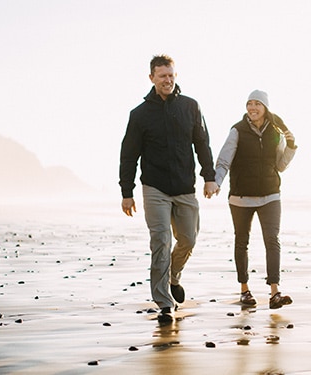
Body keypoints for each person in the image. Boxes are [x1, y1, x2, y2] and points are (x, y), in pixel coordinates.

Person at [119, 55, 219, 324]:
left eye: (171, 75)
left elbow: (202, 144)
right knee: (161, 241)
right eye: (162, 75)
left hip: (185, 187)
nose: (168, 80)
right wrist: (126, 192)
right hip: (154, 188)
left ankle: (174, 276)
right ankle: (164, 302)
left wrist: (209, 177)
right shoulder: (139, 115)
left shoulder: (190, 107)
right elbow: (129, 156)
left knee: (188, 239)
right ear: (151, 77)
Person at [214, 89, 297, 309]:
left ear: (265, 107)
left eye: (257, 104)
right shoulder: (237, 131)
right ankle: (244, 290)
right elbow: (224, 160)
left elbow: (280, 165)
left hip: (270, 195)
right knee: (242, 242)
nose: (252, 108)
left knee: (273, 240)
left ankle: (275, 292)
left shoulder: (276, 132)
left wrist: (290, 147)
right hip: (241, 197)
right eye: (249, 104)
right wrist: (217, 182)